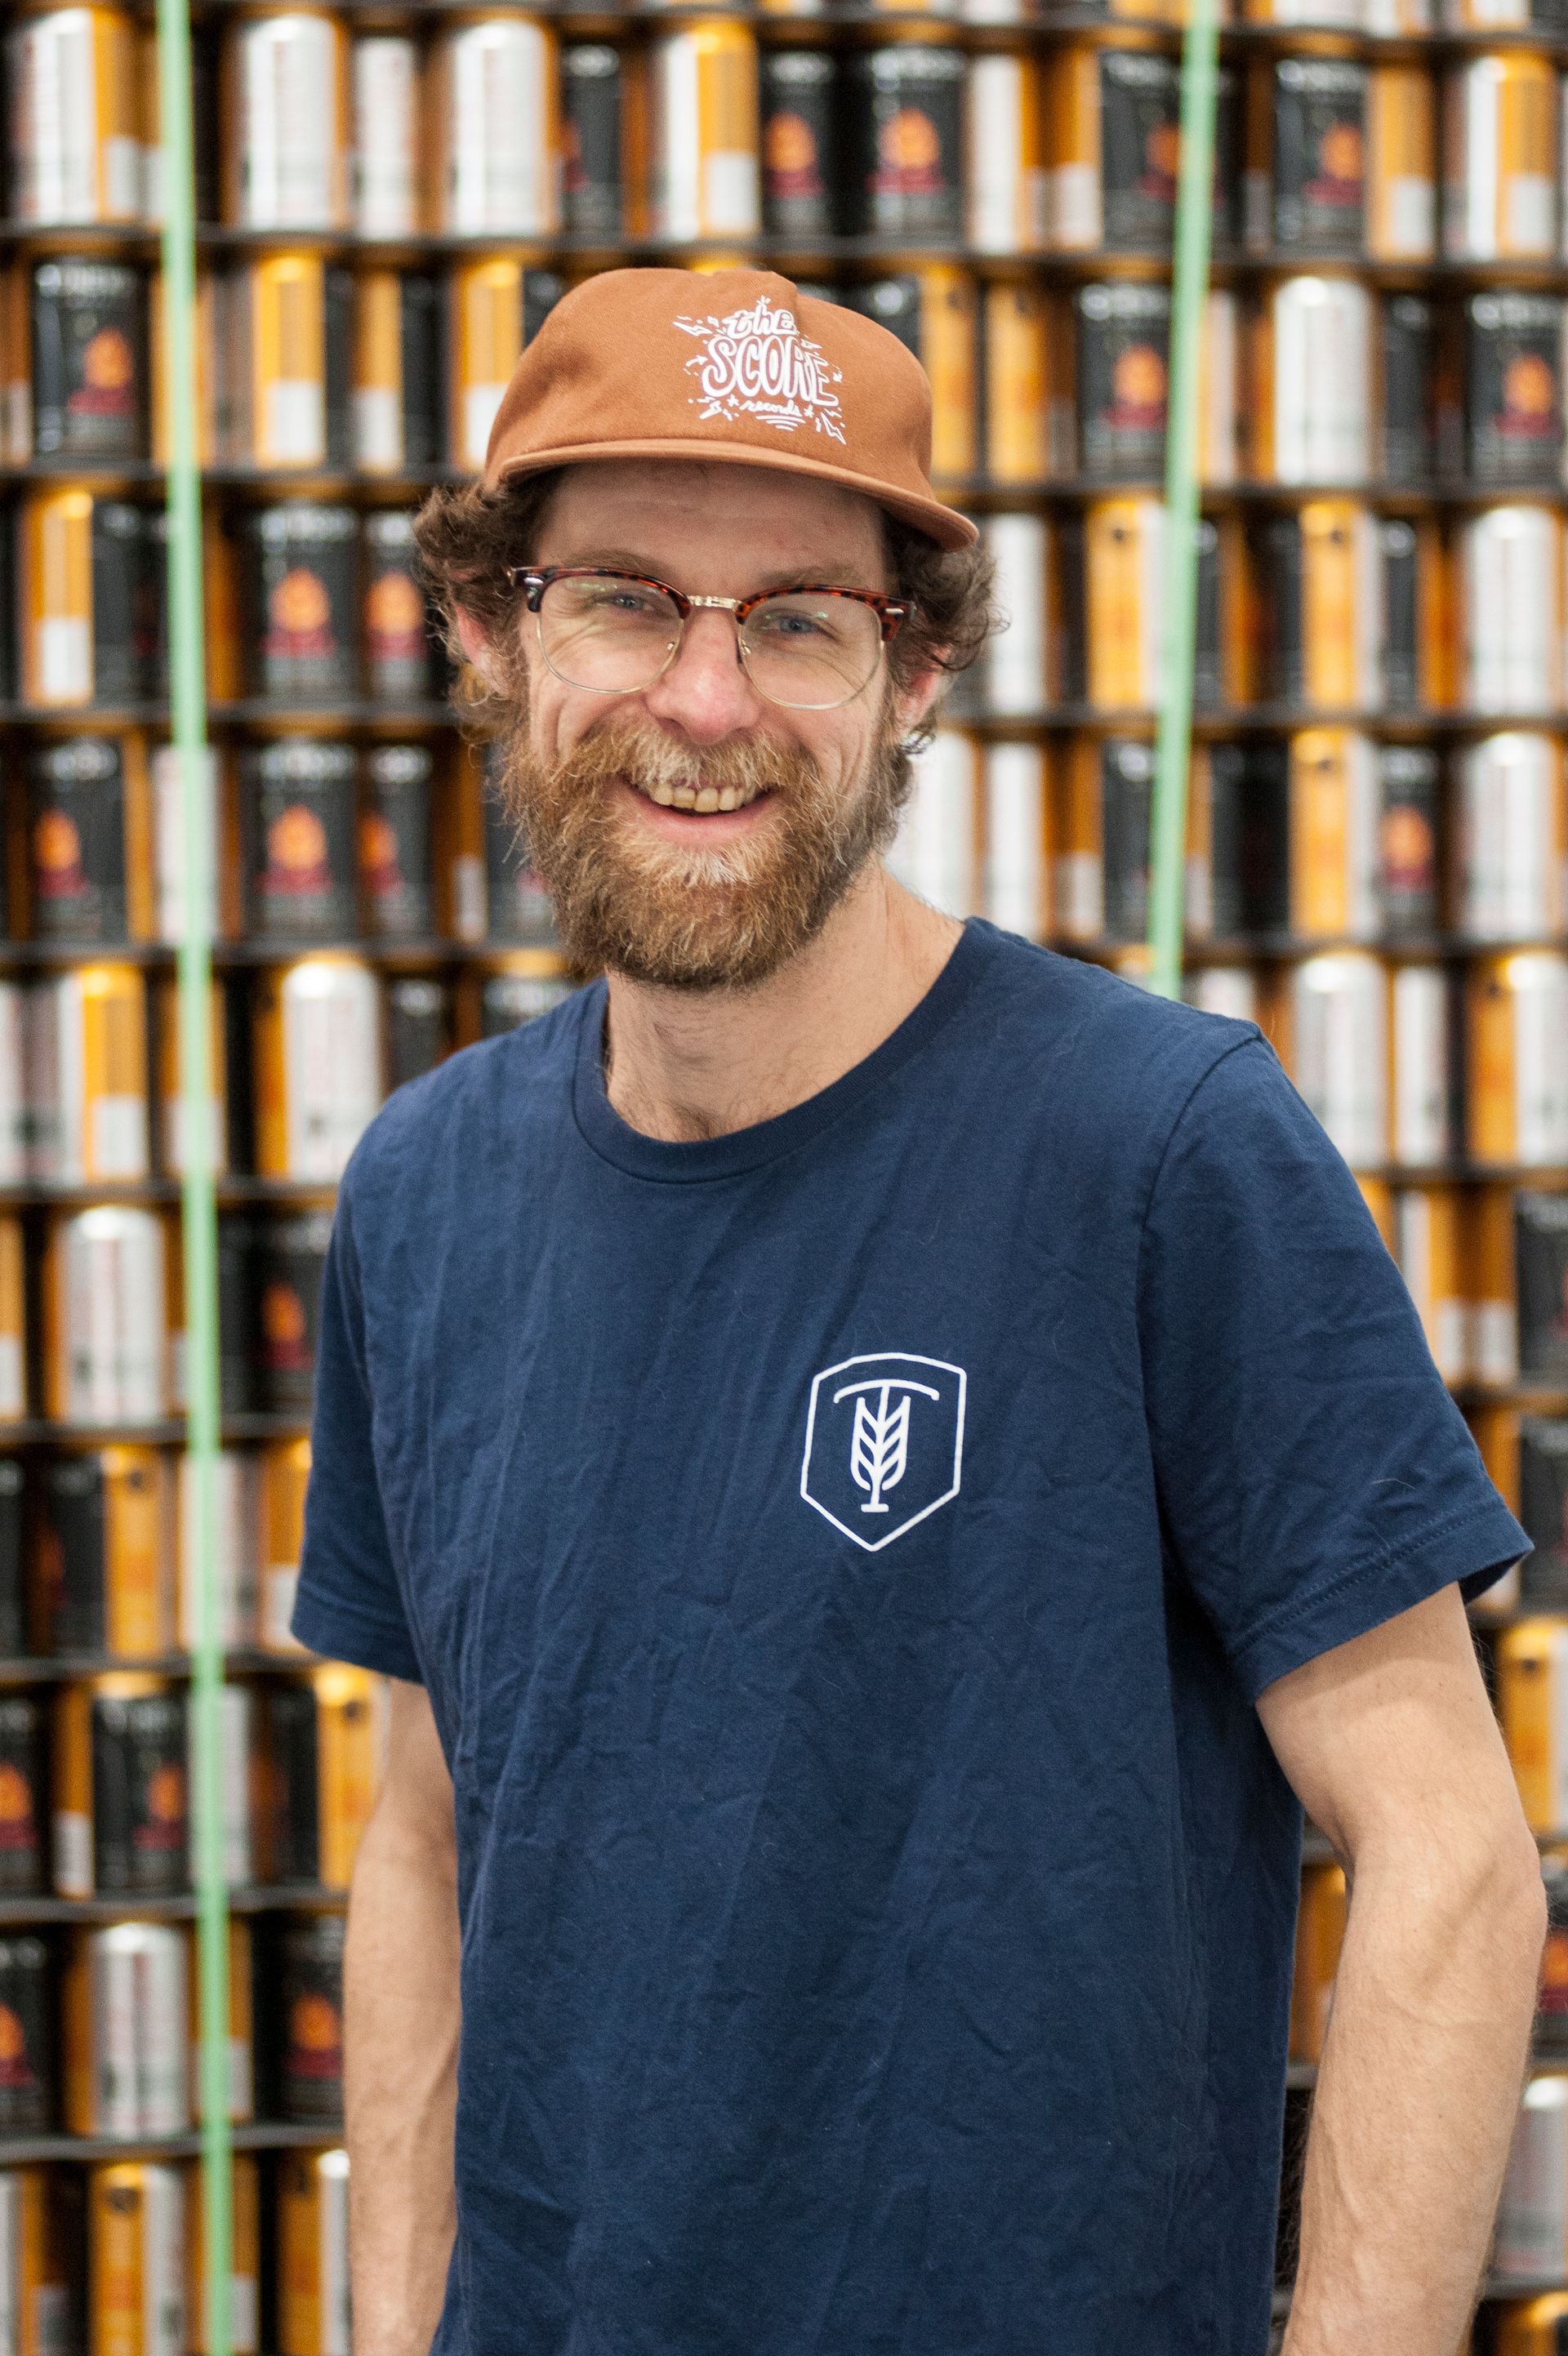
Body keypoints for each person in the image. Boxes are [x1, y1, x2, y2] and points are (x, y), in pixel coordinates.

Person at [293, 268, 1544, 2356]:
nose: (708, 703)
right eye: (621, 597)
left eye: (799, 619)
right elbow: (425, 1841)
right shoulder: (420, 1197)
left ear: (919, 677)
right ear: (491, 637)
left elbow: (1448, 1849)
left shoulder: (1159, 1147)